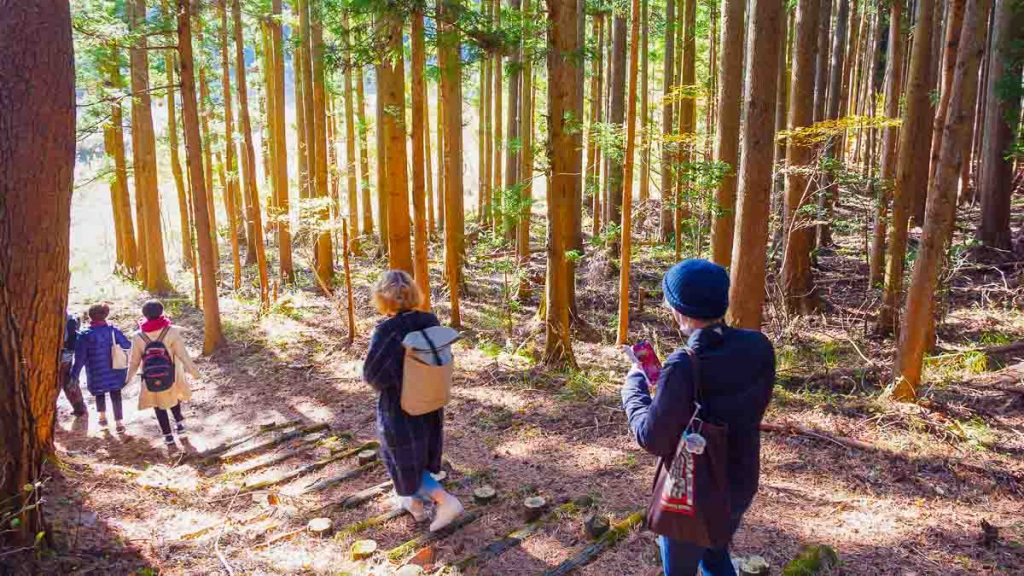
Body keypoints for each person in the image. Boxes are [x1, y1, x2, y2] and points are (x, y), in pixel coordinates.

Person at [621, 259, 775, 576]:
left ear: (681, 311)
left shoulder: (684, 365)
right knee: (715, 555)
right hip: (739, 483)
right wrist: (670, 387)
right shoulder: (759, 347)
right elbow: (732, 400)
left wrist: (634, 385)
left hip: (691, 495)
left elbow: (651, 437)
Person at [362, 270, 463, 532]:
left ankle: (445, 501)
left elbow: (373, 375)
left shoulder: (387, 330)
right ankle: (415, 506)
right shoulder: (430, 320)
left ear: (383, 298)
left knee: (402, 460)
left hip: (400, 408)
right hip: (431, 402)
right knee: (420, 456)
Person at [125, 300, 200, 447]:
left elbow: (134, 361)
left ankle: (168, 436)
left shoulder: (137, 336)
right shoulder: (171, 331)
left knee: (158, 404)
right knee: (173, 398)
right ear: (161, 312)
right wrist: (194, 372)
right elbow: (183, 355)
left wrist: (127, 379)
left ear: (144, 314)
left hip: (150, 376)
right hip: (172, 373)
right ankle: (180, 425)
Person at [70, 303, 131, 432]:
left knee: (100, 392)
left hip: (95, 370)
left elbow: (80, 358)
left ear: (90, 316)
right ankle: (119, 423)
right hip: (114, 368)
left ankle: (102, 417)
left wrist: (74, 376)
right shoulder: (113, 330)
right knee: (116, 393)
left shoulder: (84, 335)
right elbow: (127, 345)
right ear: (106, 315)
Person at [59, 310, 89, 417]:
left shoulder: (61, 319)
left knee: (62, 380)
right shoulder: (72, 317)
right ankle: (79, 407)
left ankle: (79, 408)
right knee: (68, 380)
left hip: (61, 355)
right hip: (68, 354)